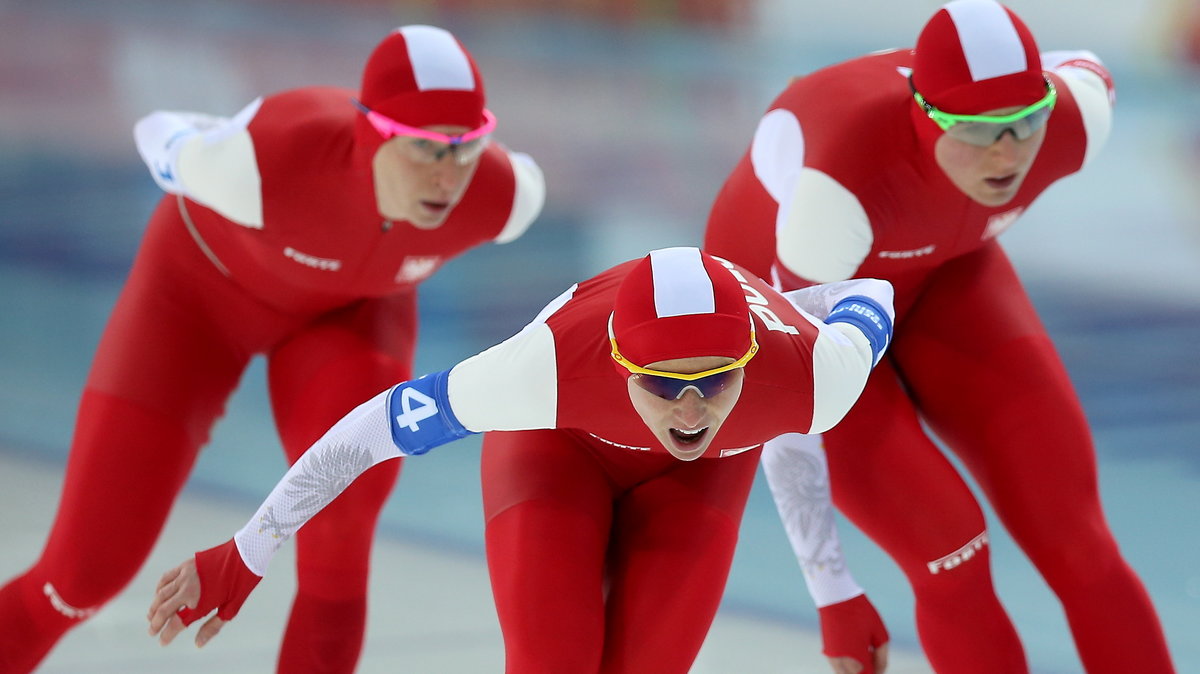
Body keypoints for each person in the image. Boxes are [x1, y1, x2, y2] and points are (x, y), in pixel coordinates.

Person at [0, 24, 545, 674]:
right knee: (83, 574)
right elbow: (157, 130)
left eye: (465, 147)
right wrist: (201, 133)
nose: (448, 174)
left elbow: (517, 182)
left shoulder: (502, 195)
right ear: (372, 131)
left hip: (352, 318)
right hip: (194, 299)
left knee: (339, 542)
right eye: (425, 149)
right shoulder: (261, 160)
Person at [145, 246, 895, 673]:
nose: (691, 411)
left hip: (702, 477)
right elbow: (370, 430)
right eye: (664, 387)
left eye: (713, 382)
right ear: (622, 365)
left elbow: (874, 291)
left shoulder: (817, 377)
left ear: (752, 356)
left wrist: (791, 305)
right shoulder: (540, 368)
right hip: (556, 450)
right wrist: (249, 549)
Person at [704, 1, 1177, 672]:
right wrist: (833, 591)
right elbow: (792, 404)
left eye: (1023, 122)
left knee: (1077, 541)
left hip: (944, 274)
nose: (1009, 152)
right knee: (951, 550)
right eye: (979, 130)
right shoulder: (836, 190)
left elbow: (1083, 69)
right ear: (922, 115)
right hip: (799, 315)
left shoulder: (1076, 117)